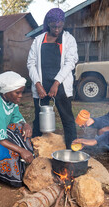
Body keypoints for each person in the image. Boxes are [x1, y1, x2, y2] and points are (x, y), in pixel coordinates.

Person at [27, 8, 78, 149]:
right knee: (38, 119)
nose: (57, 29)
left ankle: (72, 150)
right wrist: (38, 84)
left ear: (63, 24)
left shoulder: (68, 40)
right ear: (48, 23)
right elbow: (31, 63)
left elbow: (70, 62)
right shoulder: (38, 40)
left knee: (67, 118)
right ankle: (35, 150)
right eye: (54, 26)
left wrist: (56, 83)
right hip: (41, 84)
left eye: (60, 26)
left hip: (60, 84)